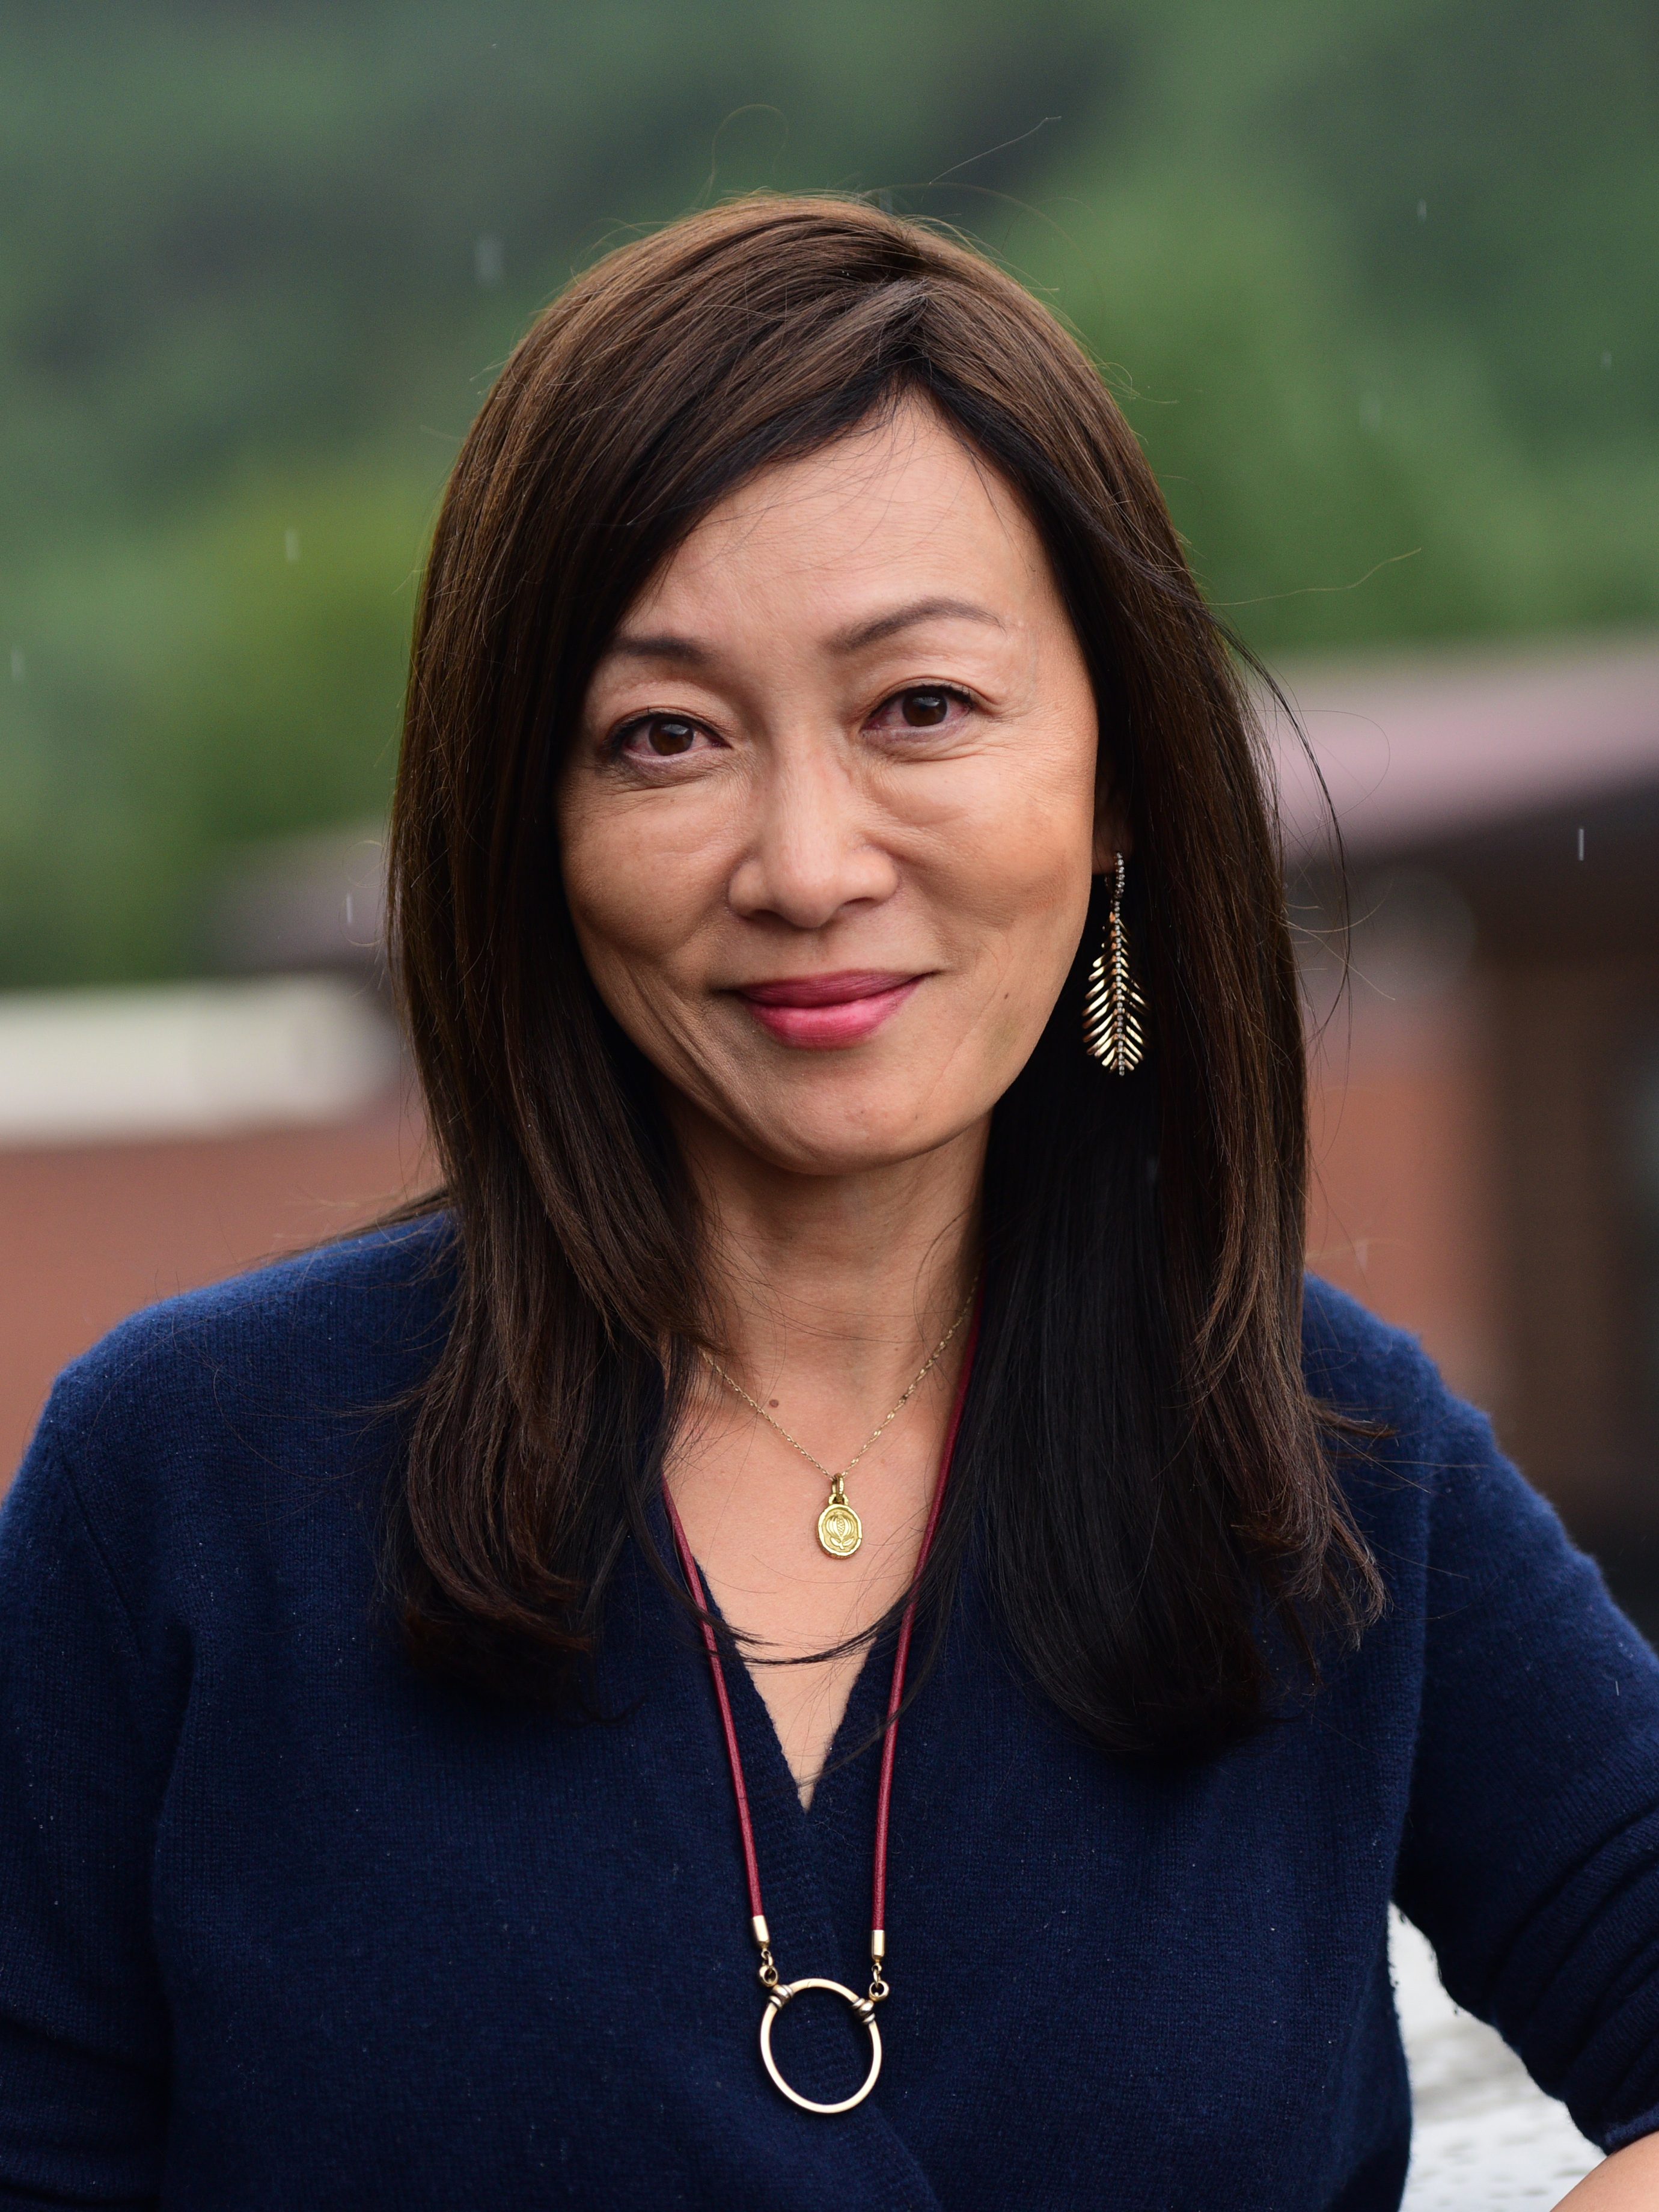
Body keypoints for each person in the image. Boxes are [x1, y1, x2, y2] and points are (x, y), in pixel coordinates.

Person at [1, 196, 1656, 2212]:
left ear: (1119, 781)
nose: (805, 863)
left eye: (920, 708)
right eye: (665, 738)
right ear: (530, 828)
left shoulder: (1325, 1467)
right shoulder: (185, 1482)